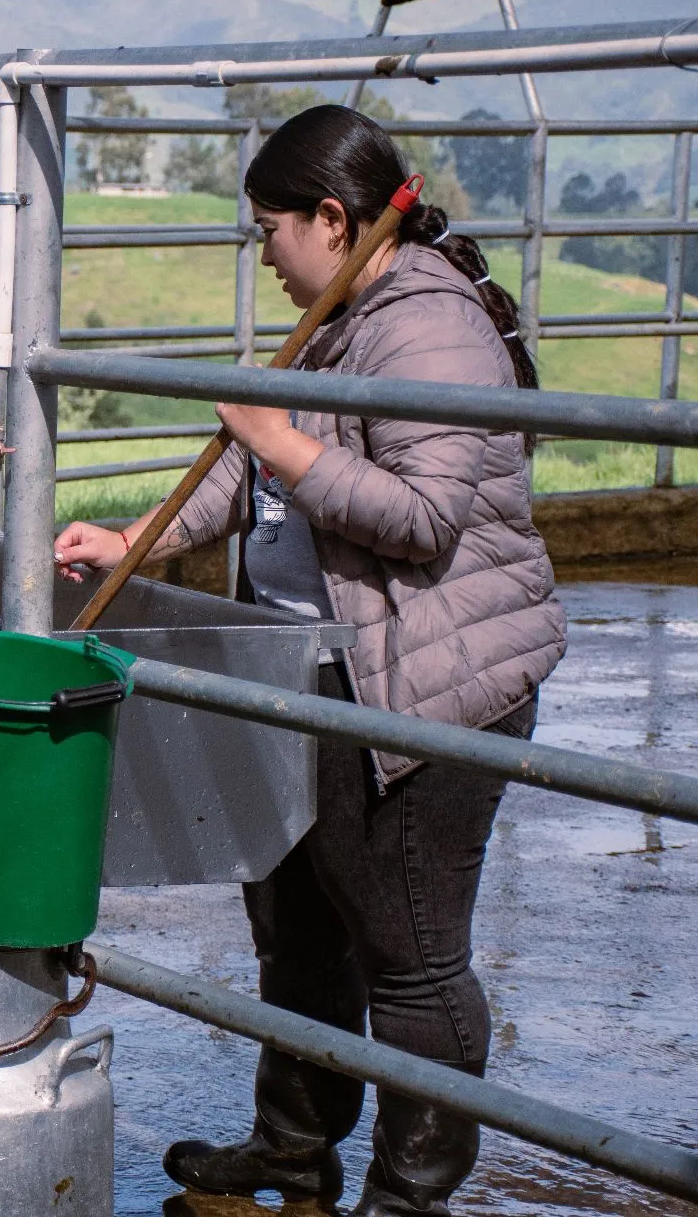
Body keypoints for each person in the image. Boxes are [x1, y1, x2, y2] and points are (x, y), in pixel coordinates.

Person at [53, 105, 565, 1217]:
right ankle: (292, 1148)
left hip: (422, 686)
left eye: (267, 230)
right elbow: (259, 470)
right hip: (314, 670)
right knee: (296, 920)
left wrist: (278, 436)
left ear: (330, 219)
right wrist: (140, 536)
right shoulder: (344, 309)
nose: (264, 254)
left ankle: (407, 1191)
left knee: (407, 944)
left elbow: (420, 517)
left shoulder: (424, 327)